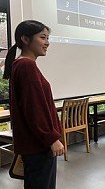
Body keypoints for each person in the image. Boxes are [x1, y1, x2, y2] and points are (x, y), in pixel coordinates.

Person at [3, 20, 64, 189]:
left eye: (48, 38)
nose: (47, 43)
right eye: (43, 37)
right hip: (38, 146)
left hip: (35, 144)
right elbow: (34, 108)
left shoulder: (22, 65)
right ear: (25, 39)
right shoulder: (26, 66)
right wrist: (51, 138)